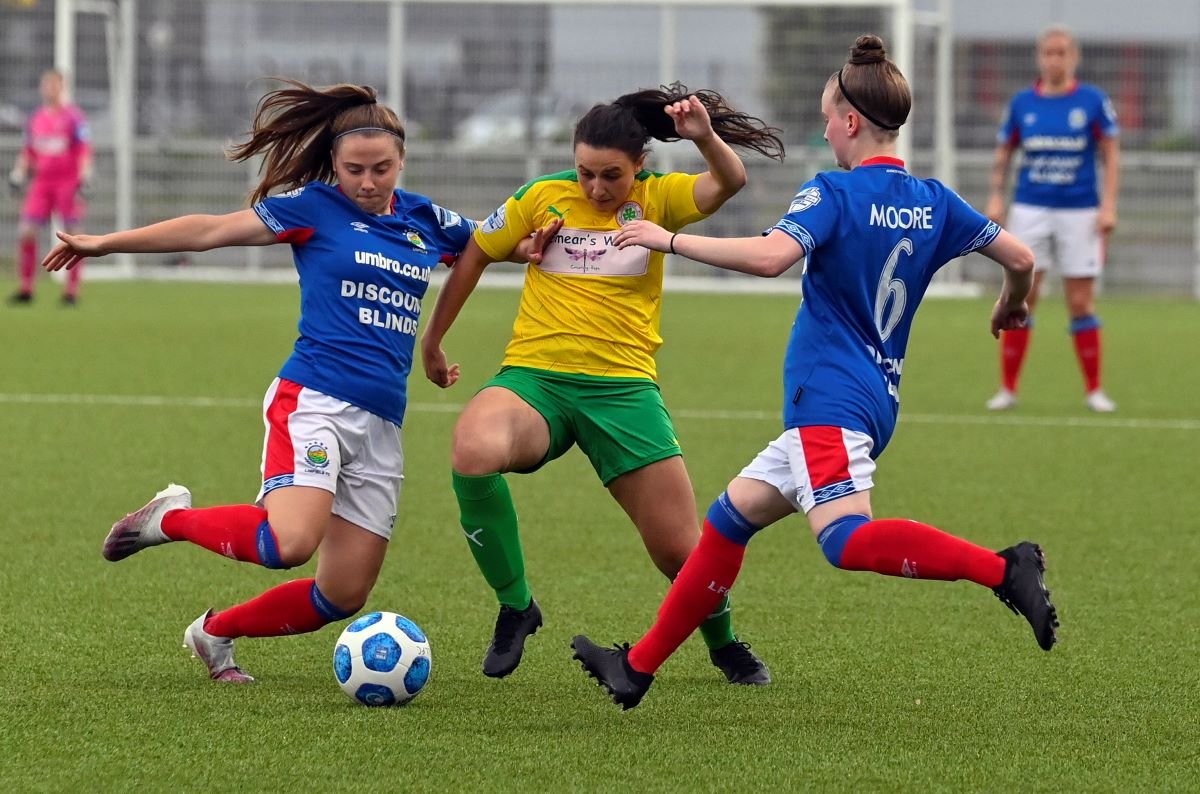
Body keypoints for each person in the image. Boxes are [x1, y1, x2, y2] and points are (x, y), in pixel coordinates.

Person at [570, 35, 1060, 711]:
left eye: (828, 117)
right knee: (728, 521)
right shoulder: (936, 199)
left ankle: (1004, 569)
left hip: (829, 398)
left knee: (845, 540)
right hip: (872, 396)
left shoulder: (833, 191)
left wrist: (669, 239)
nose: (826, 128)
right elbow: (1023, 257)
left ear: (851, 122)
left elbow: (773, 258)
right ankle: (638, 669)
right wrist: (1013, 305)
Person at [42, 79, 547, 683]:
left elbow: (496, 244)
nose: (367, 181)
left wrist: (543, 241)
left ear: (402, 161)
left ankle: (213, 632)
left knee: (341, 596)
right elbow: (209, 231)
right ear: (334, 162)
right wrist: (106, 243)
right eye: (354, 168)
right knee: (290, 543)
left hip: (382, 425)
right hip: (314, 402)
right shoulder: (312, 207)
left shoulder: (423, 218)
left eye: (381, 169)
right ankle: (167, 519)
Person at [419, 84, 786, 684]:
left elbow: (730, 182)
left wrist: (705, 138)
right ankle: (516, 608)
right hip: (536, 382)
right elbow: (475, 254)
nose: (595, 188)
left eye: (611, 176)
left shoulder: (660, 199)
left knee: (681, 552)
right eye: (586, 172)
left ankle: (724, 642)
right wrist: (433, 342)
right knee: (472, 449)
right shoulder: (541, 197)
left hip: (623, 391)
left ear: (639, 166)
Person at [984, 25, 1120, 413]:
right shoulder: (1022, 103)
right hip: (1031, 208)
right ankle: (1007, 390)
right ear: (1039, 57)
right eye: (1048, 52)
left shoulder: (1092, 101)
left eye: (1062, 53)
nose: (1054, 59)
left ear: (1073, 57)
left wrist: (1109, 205)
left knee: (1080, 301)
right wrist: (996, 194)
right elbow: (1004, 153)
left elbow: (1111, 154)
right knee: (1023, 297)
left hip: (1080, 210)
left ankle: (1094, 390)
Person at [9, 69, 92, 306]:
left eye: (54, 85)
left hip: (68, 182)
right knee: (26, 231)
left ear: (61, 87)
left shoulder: (74, 118)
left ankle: (72, 291)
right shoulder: (35, 118)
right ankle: (26, 288)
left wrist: (85, 177)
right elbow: (28, 152)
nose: (50, 89)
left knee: (74, 235)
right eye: (46, 85)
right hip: (42, 183)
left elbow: (84, 150)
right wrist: (17, 175)